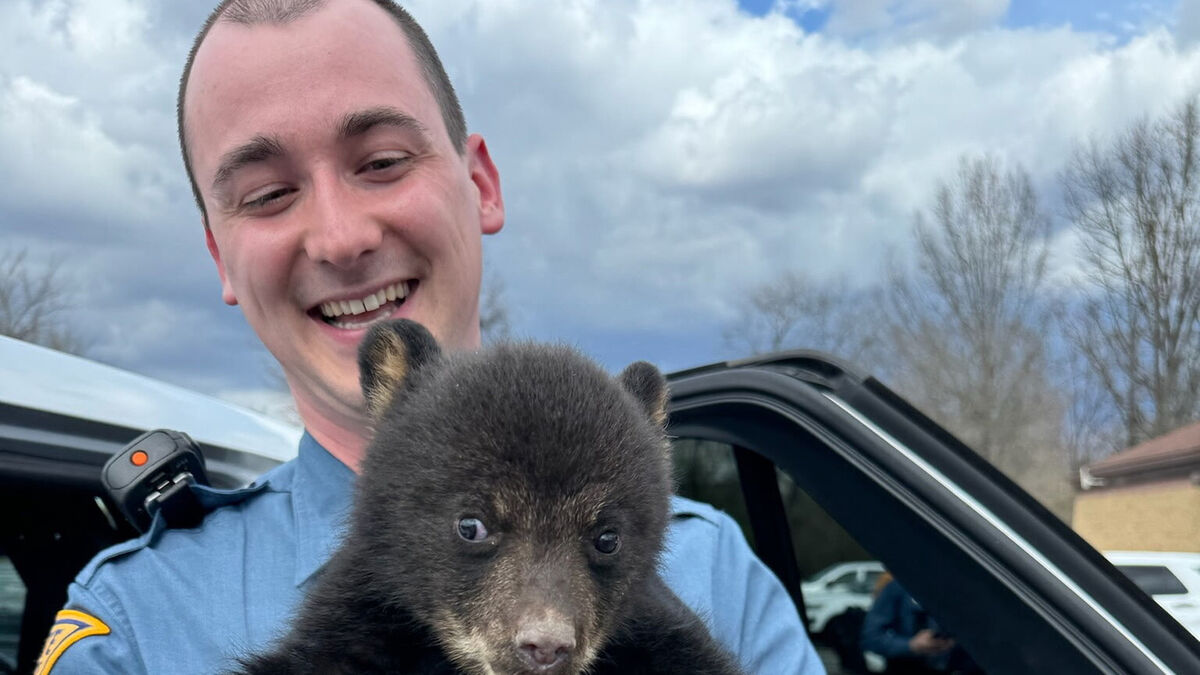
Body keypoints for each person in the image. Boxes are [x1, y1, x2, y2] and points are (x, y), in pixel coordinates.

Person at [34, 1, 825, 673]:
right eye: (269, 193)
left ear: (481, 184)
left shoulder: (717, 572)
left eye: (382, 161)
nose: (340, 238)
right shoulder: (133, 622)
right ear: (219, 254)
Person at [859, 579, 979, 675]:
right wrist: (911, 645)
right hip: (907, 668)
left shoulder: (961, 589)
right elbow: (871, 638)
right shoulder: (898, 587)